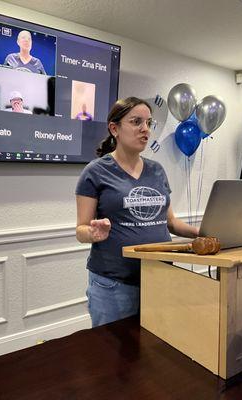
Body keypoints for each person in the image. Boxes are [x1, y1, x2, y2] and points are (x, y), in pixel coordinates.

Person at [75, 96, 199, 328]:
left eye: (149, 123)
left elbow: (171, 222)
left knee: (154, 352)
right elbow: (80, 230)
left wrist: (201, 232)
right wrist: (93, 233)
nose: (145, 129)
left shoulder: (157, 170)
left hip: (159, 276)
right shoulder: (95, 171)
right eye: (136, 122)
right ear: (115, 129)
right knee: (111, 357)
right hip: (114, 284)